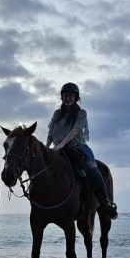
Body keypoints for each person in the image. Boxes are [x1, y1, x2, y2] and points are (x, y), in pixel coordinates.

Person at [46, 82, 118, 219]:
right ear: (62, 97)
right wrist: (47, 148)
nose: (68, 98)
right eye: (65, 95)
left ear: (76, 98)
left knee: (92, 167)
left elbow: (76, 130)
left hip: (78, 148)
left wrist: (62, 144)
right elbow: (50, 132)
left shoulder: (81, 113)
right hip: (58, 149)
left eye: (71, 96)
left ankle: (105, 202)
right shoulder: (57, 113)